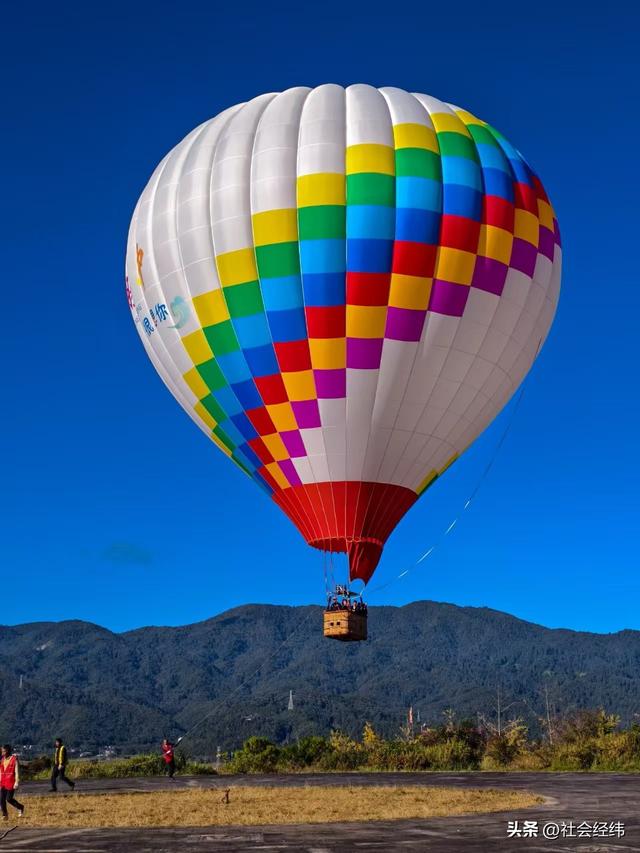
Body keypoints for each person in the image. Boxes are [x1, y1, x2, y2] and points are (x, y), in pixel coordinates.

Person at [0, 745, 24, 820]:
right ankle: (5, 815)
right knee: (1, 799)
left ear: (7, 751)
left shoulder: (14, 759)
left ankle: (20, 807)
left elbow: (17, 771)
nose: (2, 752)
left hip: (11, 782)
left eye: (3, 751)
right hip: (3, 782)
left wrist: (17, 782)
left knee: (9, 799)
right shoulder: (2, 759)